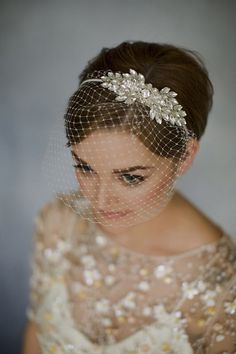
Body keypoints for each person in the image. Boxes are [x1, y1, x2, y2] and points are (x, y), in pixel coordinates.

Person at [21, 41, 236, 354]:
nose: (100, 200)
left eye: (131, 177)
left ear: (185, 156)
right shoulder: (59, 223)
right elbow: (36, 337)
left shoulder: (222, 289)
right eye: (85, 167)